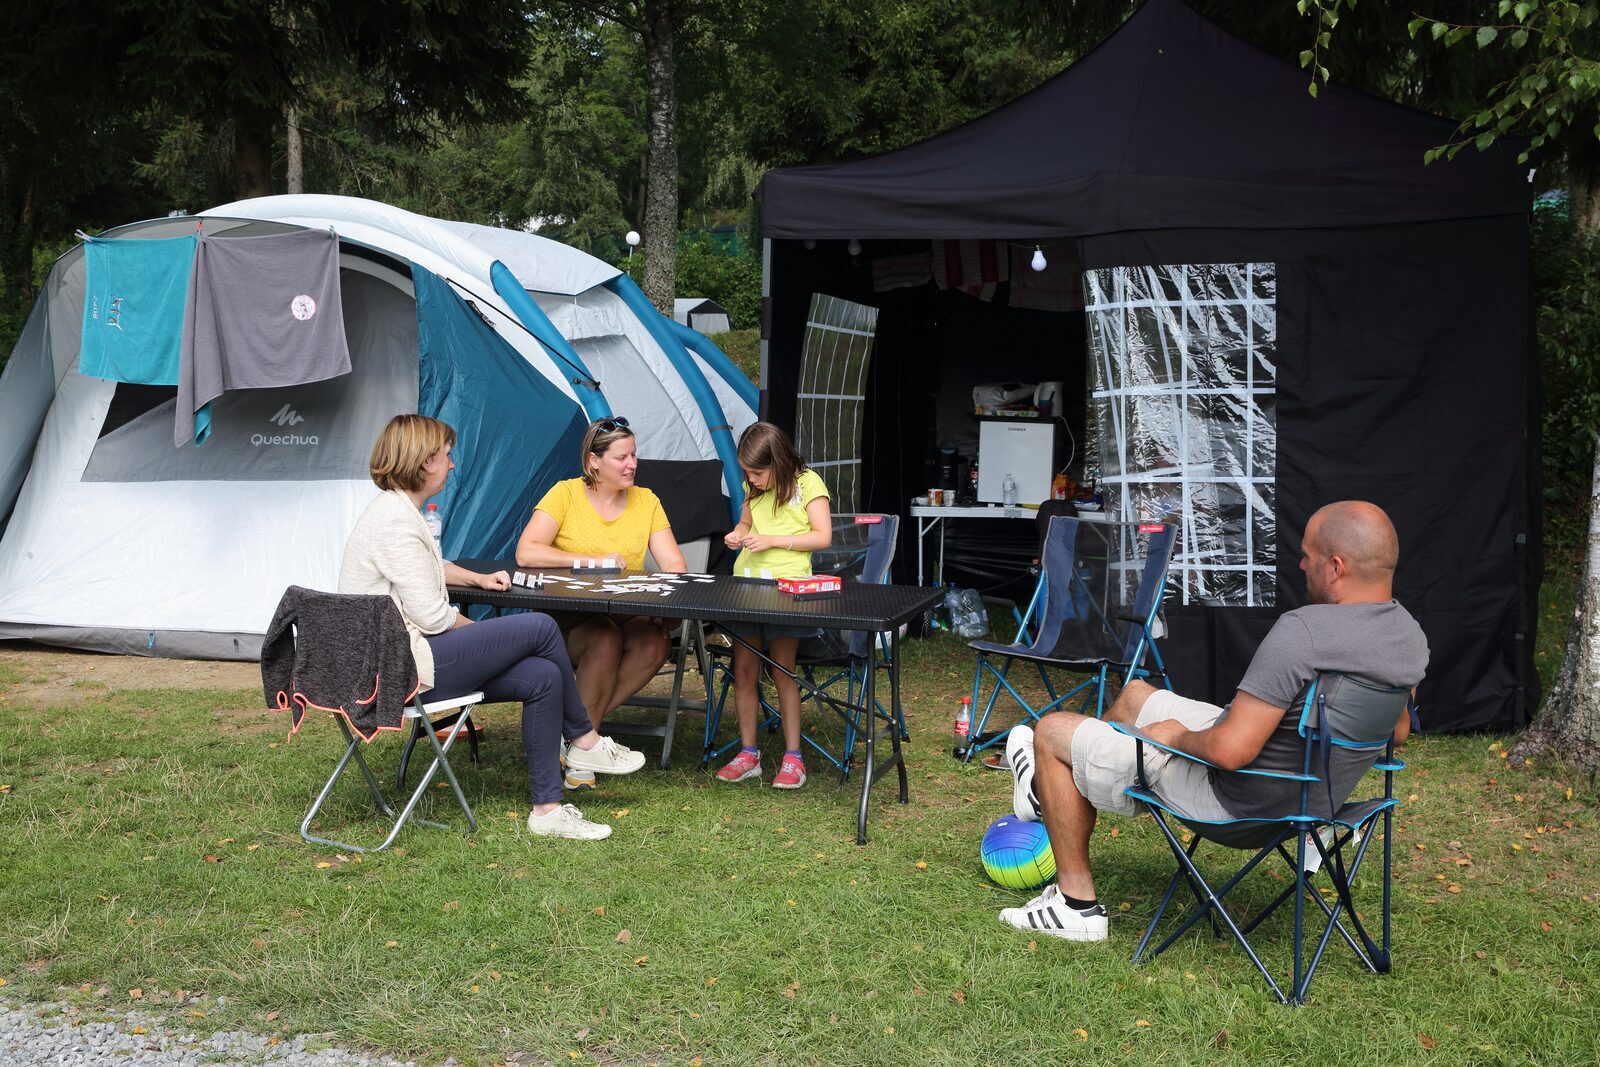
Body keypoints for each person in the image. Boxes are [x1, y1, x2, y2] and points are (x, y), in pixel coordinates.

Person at [998, 500, 1428, 941]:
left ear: (1336, 567)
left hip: (1237, 803)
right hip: (1312, 799)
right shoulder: (1409, 638)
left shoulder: (1305, 631)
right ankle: (1051, 793)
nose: (1301, 564)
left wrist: (1178, 736)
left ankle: (1076, 906)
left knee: (1049, 732)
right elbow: (1396, 733)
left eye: (1309, 556)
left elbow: (1229, 750)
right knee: (1135, 696)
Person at [340, 414, 645, 841]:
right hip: (398, 672)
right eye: (447, 456)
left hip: (402, 658)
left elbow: (429, 567)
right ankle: (584, 740)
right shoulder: (394, 522)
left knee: (542, 675)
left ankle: (547, 810)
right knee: (538, 629)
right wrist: (495, 640)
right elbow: (433, 617)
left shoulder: (396, 512)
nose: (452, 465)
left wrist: (477, 580)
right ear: (425, 461)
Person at [516, 417, 688, 786]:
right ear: (594, 461)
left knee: (654, 641)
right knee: (604, 639)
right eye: (622, 457)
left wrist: (664, 593)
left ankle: (574, 736)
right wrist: (591, 562)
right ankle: (582, 745)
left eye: (634, 455)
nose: (632, 464)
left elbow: (674, 562)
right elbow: (527, 552)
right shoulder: (565, 494)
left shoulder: (646, 500)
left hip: (622, 609)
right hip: (565, 616)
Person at [714, 422, 832, 790]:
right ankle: (749, 753)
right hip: (747, 587)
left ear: (779, 461)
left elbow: (822, 536)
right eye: (747, 472)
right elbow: (746, 521)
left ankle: (793, 757)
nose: (752, 479)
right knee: (744, 671)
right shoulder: (755, 487)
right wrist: (738, 534)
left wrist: (771, 540)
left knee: (783, 670)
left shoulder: (808, 483)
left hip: (788, 591)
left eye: (757, 472)